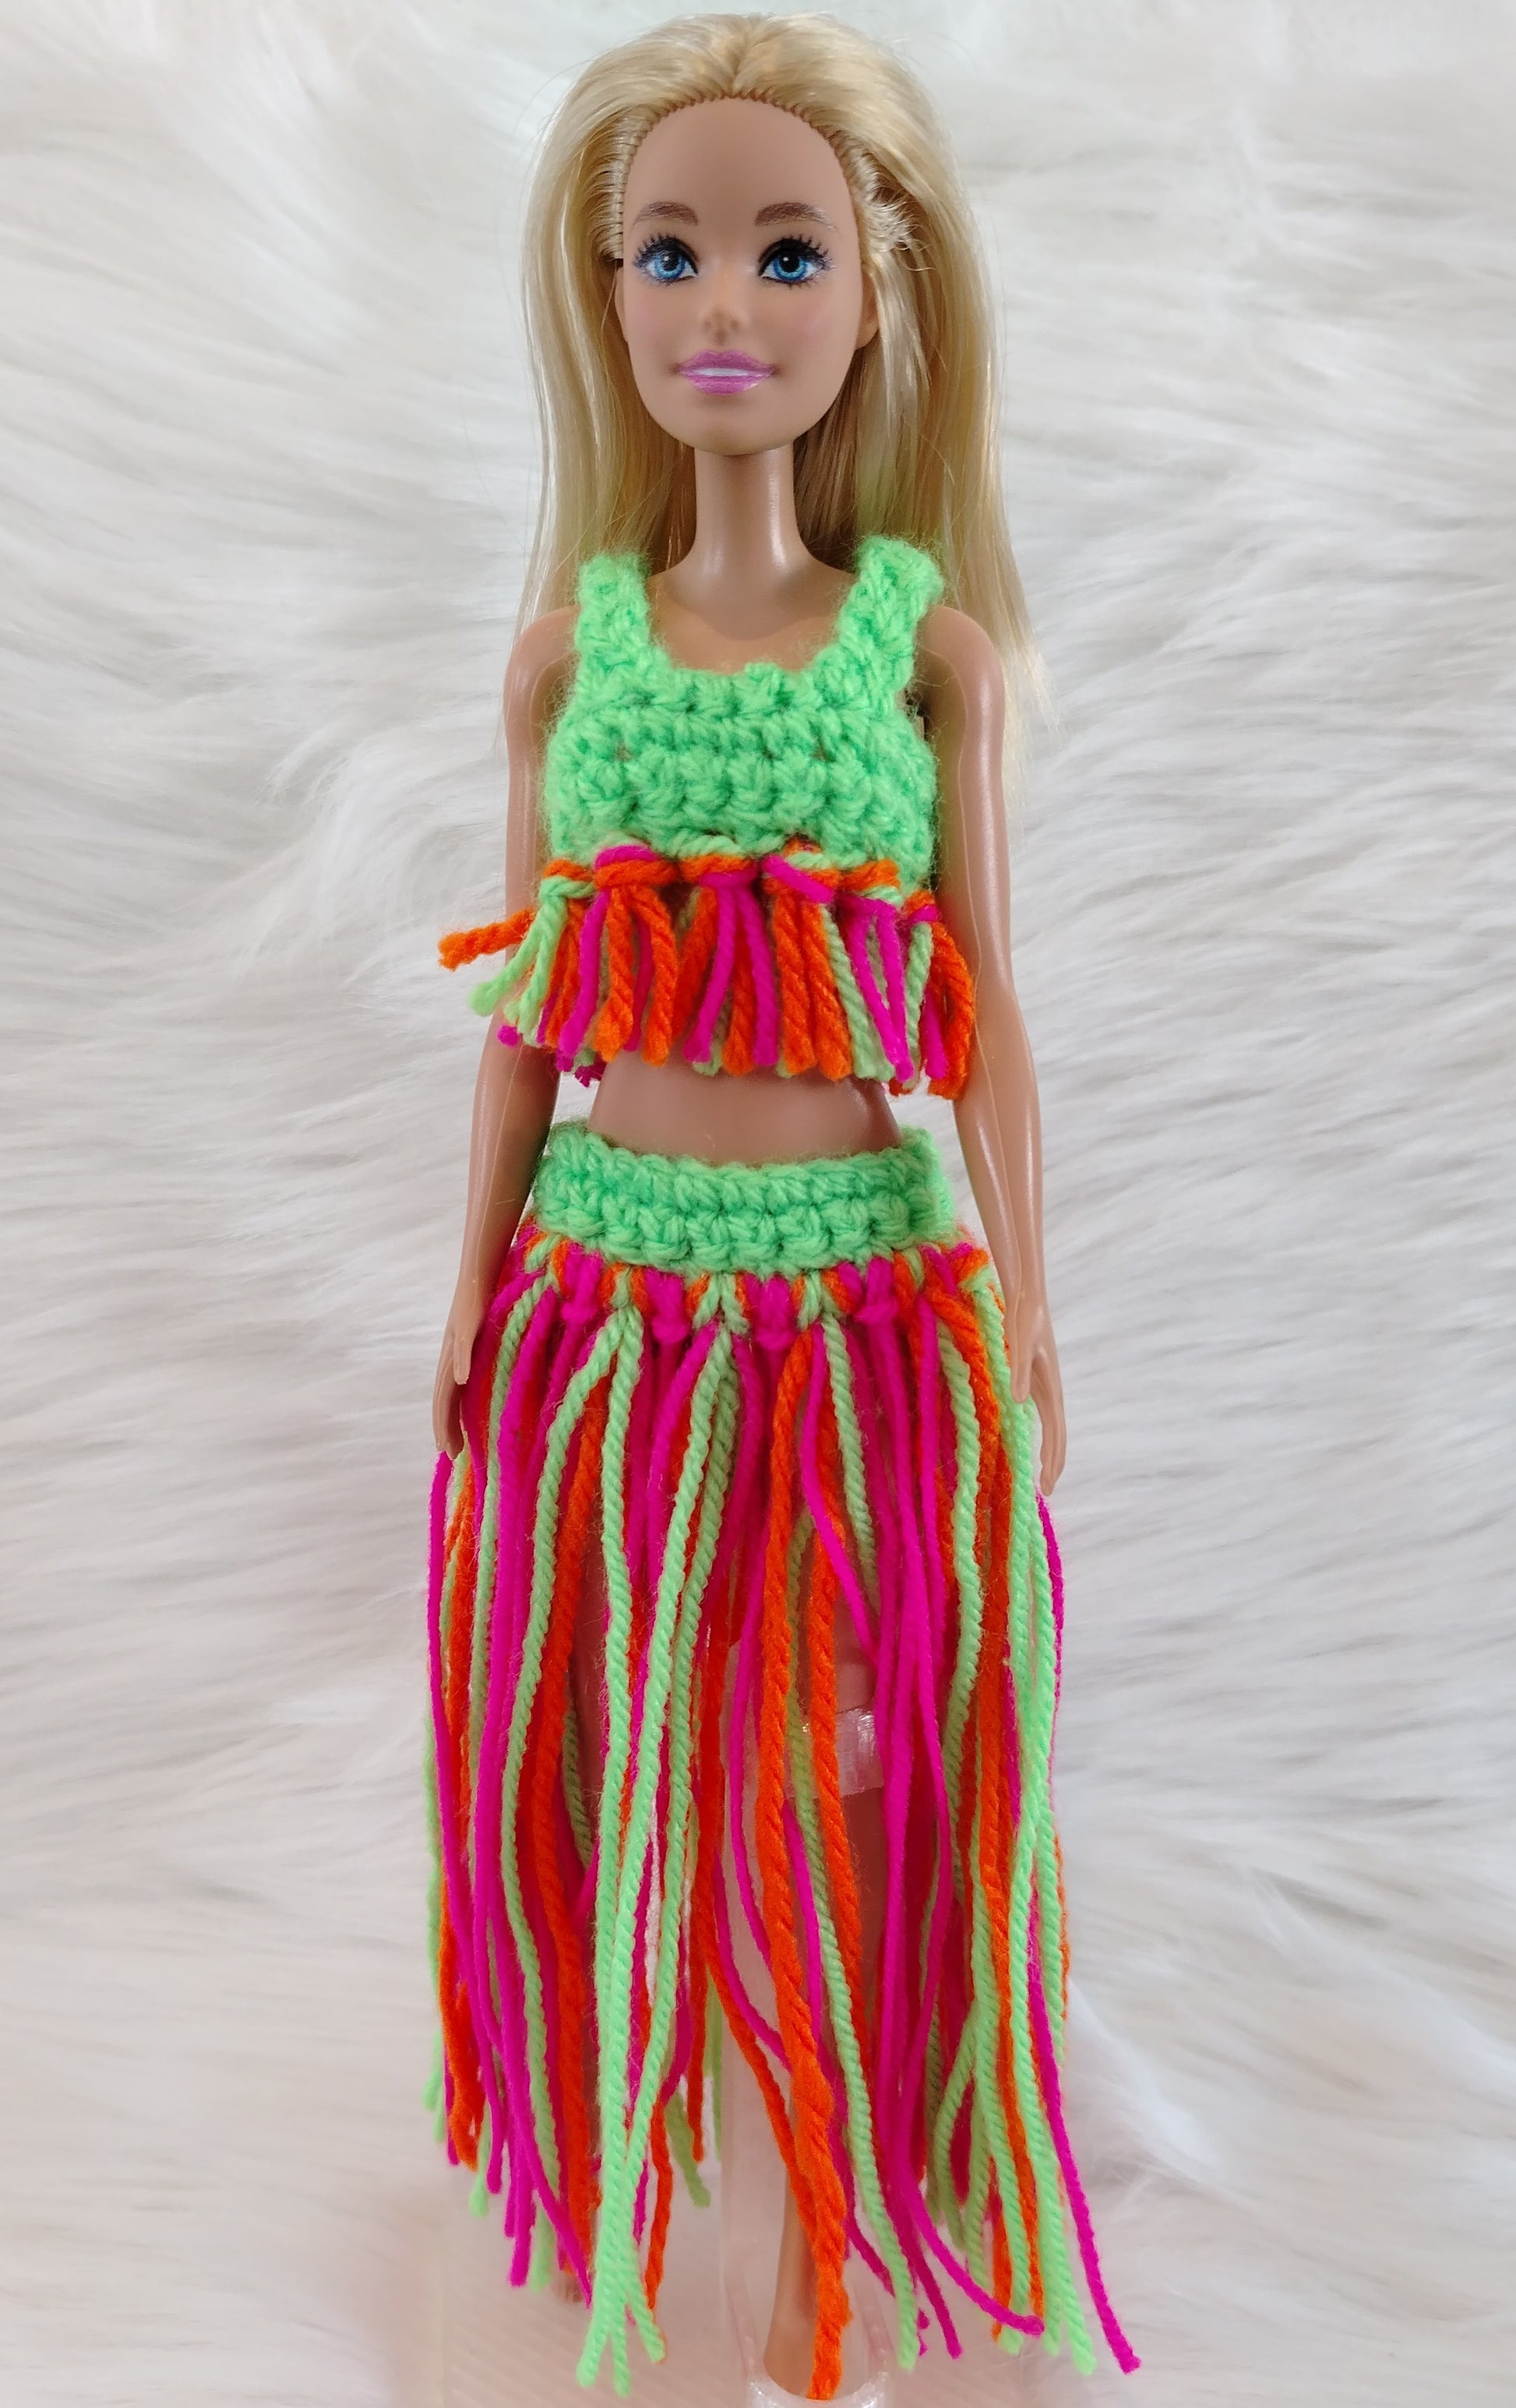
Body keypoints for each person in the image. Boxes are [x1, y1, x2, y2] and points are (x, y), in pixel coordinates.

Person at [421, 16, 1137, 2400]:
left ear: (879, 287)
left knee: (840, 1754)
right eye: (667, 253)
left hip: (857, 1315)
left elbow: (985, 1010)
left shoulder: (926, 652)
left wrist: (1030, 1305)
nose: (720, 304)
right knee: (621, 1746)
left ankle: (836, 2220)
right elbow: (529, 1004)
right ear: (605, 295)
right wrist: (467, 1278)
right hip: (607, 1313)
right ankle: (656, 2194)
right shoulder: (566, 654)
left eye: (783, 251)